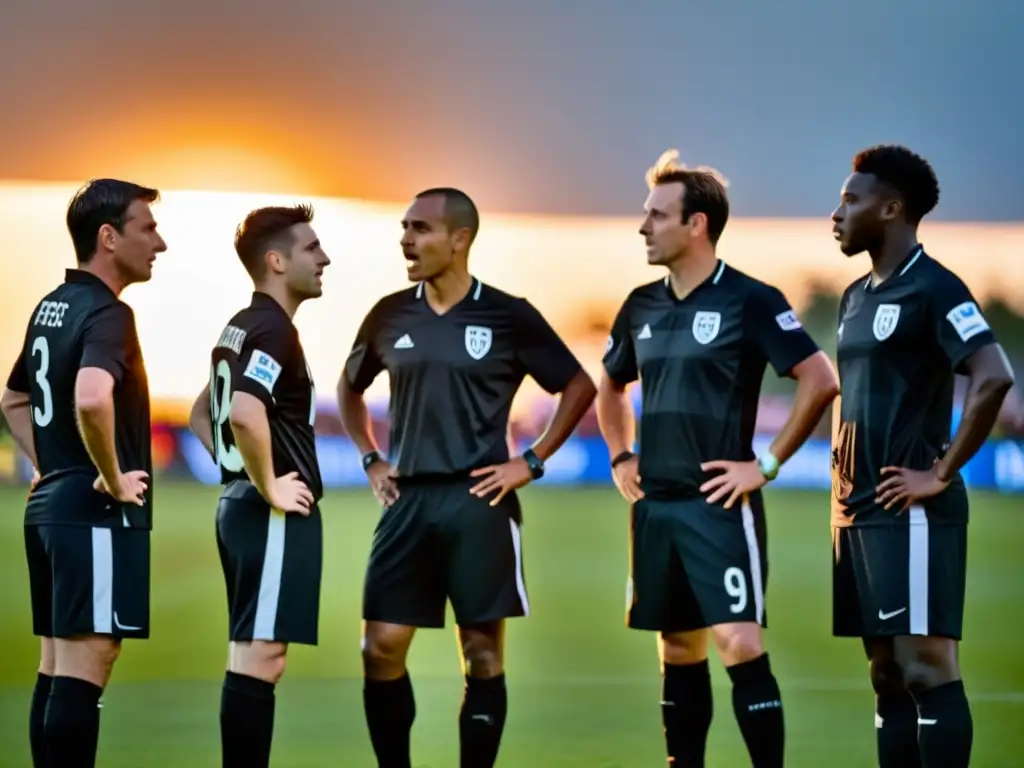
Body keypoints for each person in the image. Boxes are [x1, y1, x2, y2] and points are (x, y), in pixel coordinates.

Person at [337, 187, 596, 768]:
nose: (407, 239)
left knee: (481, 655)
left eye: (421, 228)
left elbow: (578, 386)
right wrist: (370, 457)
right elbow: (350, 387)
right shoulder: (388, 313)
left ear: (460, 239)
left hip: (481, 499)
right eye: (404, 227)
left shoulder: (507, 314)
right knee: (379, 648)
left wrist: (532, 459)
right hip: (406, 500)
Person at [596, 150, 839, 768]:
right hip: (655, 507)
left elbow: (819, 378)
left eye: (656, 215)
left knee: (737, 641)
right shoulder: (640, 305)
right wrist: (622, 454)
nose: (643, 227)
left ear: (696, 224)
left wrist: (768, 464)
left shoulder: (750, 299)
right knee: (678, 649)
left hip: (718, 505)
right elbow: (609, 384)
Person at [830, 145, 1014, 768]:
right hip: (856, 509)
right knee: (885, 673)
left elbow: (992, 376)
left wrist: (940, 473)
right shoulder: (855, 297)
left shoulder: (935, 288)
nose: (838, 213)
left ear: (892, 208)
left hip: (910, 510)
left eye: (851, 201)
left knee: (926, 666)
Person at [0, 179, 165, 768]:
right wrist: (112, 476)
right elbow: (93, 398)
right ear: (108, 237)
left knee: (55, 666)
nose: (160, 243)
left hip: (50, 508)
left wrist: (53, 465)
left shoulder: (52, 305)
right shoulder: (108, 312)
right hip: (91, 513)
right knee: (86, 666)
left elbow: (13, 399)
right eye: (147, 228)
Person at [188, 204, 331, 768]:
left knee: (253, 654)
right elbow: (243, 412)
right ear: (276, 261)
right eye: (311, 248)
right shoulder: (273, 328)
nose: (325, 259)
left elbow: (205, 412)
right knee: (260, 658)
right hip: (265, 513)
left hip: (241, 506)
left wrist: (236, 470)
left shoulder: (243, 324)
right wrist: (268, 483)